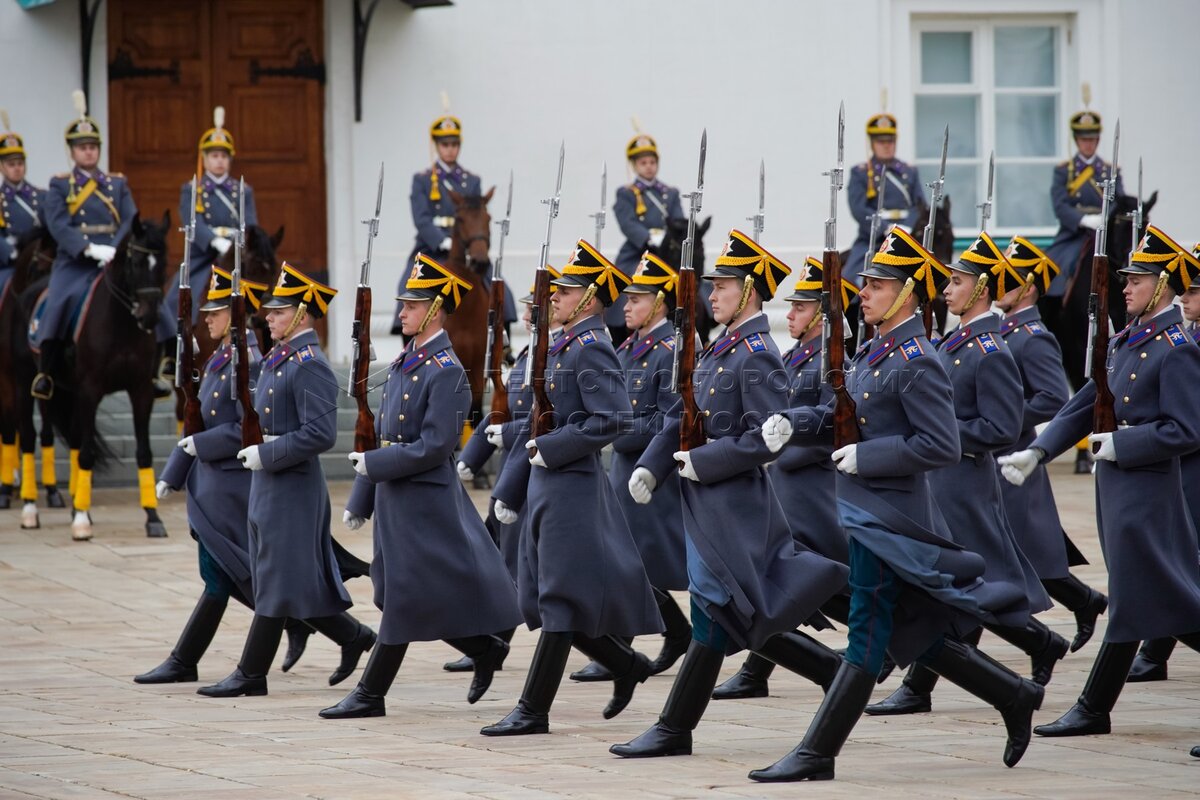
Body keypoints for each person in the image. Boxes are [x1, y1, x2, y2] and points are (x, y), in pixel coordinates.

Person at [748, 227, 1044, 782]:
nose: (864, 292)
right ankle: (1014, 693)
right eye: (865, 284)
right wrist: (797, 422)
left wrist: (869, 456)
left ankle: (817, 752)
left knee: (866, 632)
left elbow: (941, 444)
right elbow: (850, 417)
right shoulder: (876, 349)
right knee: (914, 628)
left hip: (893, 517)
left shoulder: (916, 358)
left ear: (908, 292)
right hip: (866, 512)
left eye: (877, 284)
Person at [610, 231, 850, 760]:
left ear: (748, 293)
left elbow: (766, 437)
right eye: (713, 286)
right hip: (705, 501)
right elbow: (681, 413)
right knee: (730, 614)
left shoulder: (757, 354)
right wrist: (652, 466)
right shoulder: (720, 345)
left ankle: (675, 727)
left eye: (722, 287)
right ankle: (835, 672)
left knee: (716, 611)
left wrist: (703, 461)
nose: (711, 295)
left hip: (736, 504)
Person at [1002, 225, 1200, 738]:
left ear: (1162, 286)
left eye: (1137, 280)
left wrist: (1125, 443)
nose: (1126, 287)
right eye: (1127, 279)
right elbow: (1086, 401)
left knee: (1163, 603)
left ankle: (1092, 707)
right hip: (1117, 491)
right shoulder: (1126, 340)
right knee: (1150, 601)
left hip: (1150, 491)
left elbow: (1186, 429)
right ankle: (1093, 709)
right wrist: (1038, 451)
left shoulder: (1176, 347)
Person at [867, 232, 1067, 717]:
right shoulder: (953, 342)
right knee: (954, 588)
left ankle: (924, 683)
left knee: (963, 587)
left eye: (957, 283)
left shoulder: (990, 349)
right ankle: (1039, 644)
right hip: (942, 478)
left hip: (967, 481)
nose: (948, 290)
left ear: (980, 290)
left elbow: (1000, 427)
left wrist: (943, 432)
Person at [323, 254, 522, 718]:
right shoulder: (406, 361)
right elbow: (388, 434)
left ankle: (370, 695)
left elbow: (435, 446)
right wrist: (365, 492)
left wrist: (374, 465)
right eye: (404, 305)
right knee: (399, 592)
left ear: (434, 311)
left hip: (424, 498)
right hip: (396, 494)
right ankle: (485, 648)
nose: (402, 313)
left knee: (406, 597)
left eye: (411, 306)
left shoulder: (447, 370)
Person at [481, 240, 664, 736]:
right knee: (543, 597)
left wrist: (555, 448)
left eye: (565, 291)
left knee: (558, 600)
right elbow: (538, 422)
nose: (555, 298)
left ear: (588, 299)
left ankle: (532, 709)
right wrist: (512, 489)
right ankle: (627, 667)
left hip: (572, 489)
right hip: (545, 485)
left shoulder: (591, 346)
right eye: (556, 290)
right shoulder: (560, 343)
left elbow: (613, 419)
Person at [197, 264, 375, 698]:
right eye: (270, 312)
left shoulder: (310, 364)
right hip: (269, 482)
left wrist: (266, 453)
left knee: (276, 579)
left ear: (301, 315)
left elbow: (320, 433)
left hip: (292, 486)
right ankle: (354, 637)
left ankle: (251, 673)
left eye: (279, 312)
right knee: (283, 578)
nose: (269, 318)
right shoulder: (280, 359)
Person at [712, 256, 860, 701]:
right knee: (791, 583)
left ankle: (895, 638)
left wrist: (789, 444)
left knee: (810, 582)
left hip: (812, 488)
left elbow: (840, 423)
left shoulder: (833, 362)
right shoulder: (795, 356)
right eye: (792, 306)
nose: (791, 313)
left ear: (821, 313)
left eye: (801, 306)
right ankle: (759, 671)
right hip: (787, 487)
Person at [139, 269, 283, 682]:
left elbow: (244, 427)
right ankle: (346, 633)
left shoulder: (248, 362)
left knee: (225, 578)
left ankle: (184, 661)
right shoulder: (219, 357)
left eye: (216, 312)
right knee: (237, 579)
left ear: (235, 316)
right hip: (209, 487)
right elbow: (196, 422)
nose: (207, 319)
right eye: (205, 312)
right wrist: (175, 470)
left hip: (230, 487)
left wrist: (197, 449)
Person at [997, 237, 1107, 653]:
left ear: (1027, 287)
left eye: (1005, 279)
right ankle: (1085, 601)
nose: (994, 285)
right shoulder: (1004, 331)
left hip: (1014, 451)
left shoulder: (1032, 336)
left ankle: (1063, 617)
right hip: (1002, 455)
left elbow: (1052, 399)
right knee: (1026, 548)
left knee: (1023, 547)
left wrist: (1002, 420)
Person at [596, 251, 692, 679]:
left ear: (660, 302)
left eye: (637, 299)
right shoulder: (629, 347)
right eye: (627, 299)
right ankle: (674, 631)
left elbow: (671, 416)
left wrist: (617, 432)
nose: (627, 306)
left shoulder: (670, 349)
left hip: (650, 473)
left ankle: (621, 645)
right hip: (624, 468)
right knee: (628, 560)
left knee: (635, 561)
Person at [32, 90, 137, 401]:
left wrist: (115, 249)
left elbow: (130, 218)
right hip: (75, 262)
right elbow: (58, 223)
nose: (89, 152)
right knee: (58, 302)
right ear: (72, 152)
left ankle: (157, 364)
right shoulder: (60, 184)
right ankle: (46, 371)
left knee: (148, 300)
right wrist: (87, 249)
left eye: (93, 147)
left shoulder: (117, 184)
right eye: (82, 148)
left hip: (113, 259)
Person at [1129, 245, 1200, 682]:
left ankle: (1152, 653)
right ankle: (1153, 653)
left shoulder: (1182, 345)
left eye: (1195, 292)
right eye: (1185, 291)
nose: (1186, 299)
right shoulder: (1186, 339)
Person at [157, 106, 258, 365]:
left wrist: (236, 242)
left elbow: (252, 225)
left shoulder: (243, 189)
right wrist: (213, 240)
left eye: (224, 155)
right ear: (205, 158)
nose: (219, 161)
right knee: (173, 300)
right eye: (214, 155)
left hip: (236, 257)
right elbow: (191, 220)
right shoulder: (192, 189)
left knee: (264, 298)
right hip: (205, 257)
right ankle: (172, 355)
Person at [398, 114, 513, 334]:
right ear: (437, 146)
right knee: (407, 284)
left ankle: (503, 336)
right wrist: (442, 241)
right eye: (445, 144)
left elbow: (476, 214)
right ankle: (408, 338)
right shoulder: (423, 179)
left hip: (465, 246)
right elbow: (421, 218)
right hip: (432, 246)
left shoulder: (471, 180)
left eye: (454, 144)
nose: (450, 149)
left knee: (498, 285)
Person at [612, 134, 684, 343]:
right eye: (643, 163)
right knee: (627, 278)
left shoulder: (670, 193)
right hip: (638, 250)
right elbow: (627, 222)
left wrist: (669, 237)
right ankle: (620, 322)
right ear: (634, 166)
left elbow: (678, 221)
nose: (649, 167)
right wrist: (648, 237)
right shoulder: (627, 193)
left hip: (666, 249)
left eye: (652, 162)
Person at [844, 113, 925, 285]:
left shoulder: (909, 171)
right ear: (872, 143)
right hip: (873, 238)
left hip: (907, 236)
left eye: (890, 141)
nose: (887, 146)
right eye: (881, 142)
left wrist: (907, 227)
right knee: (849, 280)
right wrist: (884, 228)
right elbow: (858, 208)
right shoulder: (860, 173)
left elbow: (919, 205)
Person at [0, 110, 44, 296]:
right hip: (12, 263)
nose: (17, 168)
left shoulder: (42, 196)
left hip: (39, 260)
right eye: (11, 164)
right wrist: (11, 253)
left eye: (20, 163)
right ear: (1, 167)